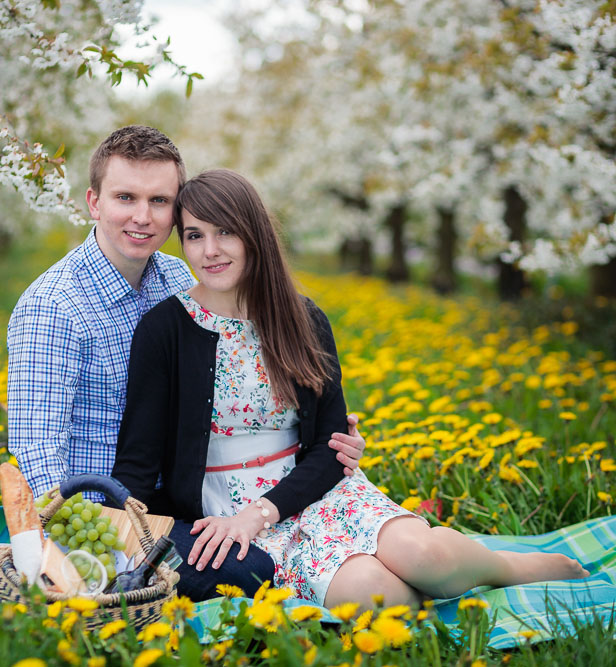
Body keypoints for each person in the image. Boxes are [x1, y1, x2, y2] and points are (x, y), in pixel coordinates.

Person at [112, 169, 590, 609]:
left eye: (225, 232)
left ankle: (510, 568)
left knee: (426, 556)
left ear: (254, 235)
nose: (210, 250)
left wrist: (262, 511)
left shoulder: (301, 318)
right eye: (194, 235)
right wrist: (121, 543)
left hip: (310, 491)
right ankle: (419, 589)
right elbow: (139, 460)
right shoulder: (165, 330)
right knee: (373, 595)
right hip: (228, 517)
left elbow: (329, 447)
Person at [6, 126, 368, 601]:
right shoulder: (54, 308)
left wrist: (323, 438)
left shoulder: (181, 277)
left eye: (159, 201)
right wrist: (72, 548)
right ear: (94, 203)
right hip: (110, 515)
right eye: (125, 197)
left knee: (259, 558)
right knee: (251, 573)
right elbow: (38, 450)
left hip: (191, 496)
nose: (142, 216)